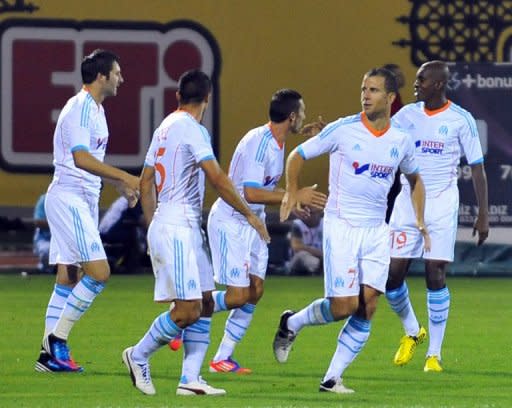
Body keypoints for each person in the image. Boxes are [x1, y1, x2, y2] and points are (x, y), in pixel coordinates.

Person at [272, 67, 430, 394]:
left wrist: (419, 218)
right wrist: (291, 190)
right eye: (363, 89)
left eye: (373, 90)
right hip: (342, 227)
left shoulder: (400, 141)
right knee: (343, 305)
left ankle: (332, 378)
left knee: (369, 304)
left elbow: (415, 180)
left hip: (375, 232)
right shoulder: (343, 130)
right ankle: (293, 323)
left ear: (390, 98)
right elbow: (297, 155)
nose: (365, 95)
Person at [121, 69, 270, 396]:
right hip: (178, 227)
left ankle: (190, 379)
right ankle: (139, 354)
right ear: (208, 98)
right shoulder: (193, 130)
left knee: (203, 303)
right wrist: (250, 215)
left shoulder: (163, 128)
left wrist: (151, 226)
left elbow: (145, 182)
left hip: (175, 224)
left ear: (177, 96)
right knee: (188, 309)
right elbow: (217, 178)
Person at [206, 89, 327, 374]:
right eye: (303, 114)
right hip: (232, 221)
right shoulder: (259, 143)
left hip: (253, 224)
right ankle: (184, 313)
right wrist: (294, 195)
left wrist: (291, 200)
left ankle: (222, 358)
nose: (305, 119)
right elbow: (250, 192)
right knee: (237, 296)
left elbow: (264, 190)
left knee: (255, 291)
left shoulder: (278, 139)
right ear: (292, 116)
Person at [35, 49, 140, 373]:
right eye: (117, 73)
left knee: (68, 277)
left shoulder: (95, 110)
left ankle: (47, 356)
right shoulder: (81, 107)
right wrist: (125, 176)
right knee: (100, 272)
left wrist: (117, 186)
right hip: (70, 200)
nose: (122, 78)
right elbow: (80, 158)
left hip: (81, 199)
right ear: (101, 76)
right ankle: (57, 340)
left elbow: (88, 162)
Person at [385, 60, 489, 372]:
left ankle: (434, 354)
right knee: (391, 278)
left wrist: (483, 213)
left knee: (435, 274)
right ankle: (412, 331)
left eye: (421, 80)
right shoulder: (405, 115)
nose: (415, 84)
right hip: (406, 202)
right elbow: (379, 137)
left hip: (442, 204)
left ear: (438, 84)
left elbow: (478, 168)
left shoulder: (461, 119)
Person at [383, 63, 406, 223]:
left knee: (397, 189)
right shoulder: (385, 99)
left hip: (398, 150)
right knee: (389, 191)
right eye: (397, 76)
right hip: (387, 152)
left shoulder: (396, 98)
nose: (402, 78)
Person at [99, 196, 147, 272]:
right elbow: (143, 220)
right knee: (135, 231)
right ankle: (131, 266)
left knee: (135, 229)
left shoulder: (127, 197)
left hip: (105, 232)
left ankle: (126, 263)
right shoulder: (134, 198)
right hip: (111, 232)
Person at [286, 206, 323, 276]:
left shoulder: (325, 224)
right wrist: (320, 254)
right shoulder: (298, 224)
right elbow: (297, 247)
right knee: (302, 254)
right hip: (297, 263)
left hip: (321, 257)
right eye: (307, 213)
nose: (309, 215)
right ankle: (319, 267)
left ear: (319, 213)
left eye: (312, 213)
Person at [32, 193, 53, 274]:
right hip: (46, 238)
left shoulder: (71, 200)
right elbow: (38, 222)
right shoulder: (45, 199)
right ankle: (46, 270)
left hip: (66, 240)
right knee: (46, 251)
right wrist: (58, 224)